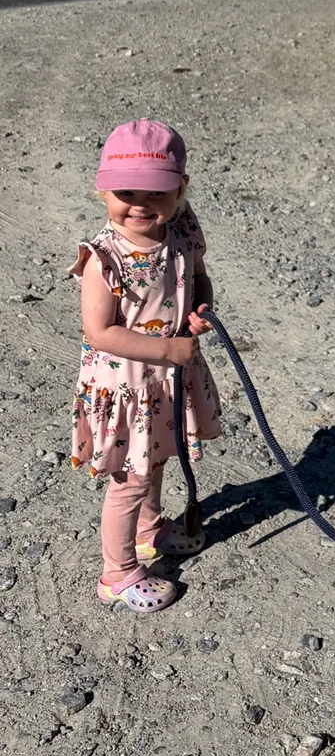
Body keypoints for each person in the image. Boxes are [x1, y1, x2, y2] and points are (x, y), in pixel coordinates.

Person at [70, 119, 222, 612]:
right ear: (102, 190)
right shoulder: (104, 258)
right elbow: (100, 332)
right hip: (128, 386)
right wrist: (168, 350)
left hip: (166, 380)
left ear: (180, 190)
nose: (139, 204)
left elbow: (198, 276)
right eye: (125, 193)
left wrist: (200, 308)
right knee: (130, 480)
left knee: (154, 459)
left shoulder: (181, 228)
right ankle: (116, 573)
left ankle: (148, 530)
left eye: (155, 192)